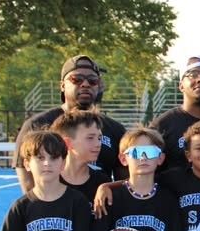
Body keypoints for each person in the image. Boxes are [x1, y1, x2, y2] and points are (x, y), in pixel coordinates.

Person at [13, 55, 127, 194]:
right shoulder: (37, 125)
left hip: (99, 211)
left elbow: (125, 179)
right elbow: (27, 180)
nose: (85, 84)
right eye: (76, 79)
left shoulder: (115, 129)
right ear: (62, 85)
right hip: (56, 211)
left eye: (92, 80)